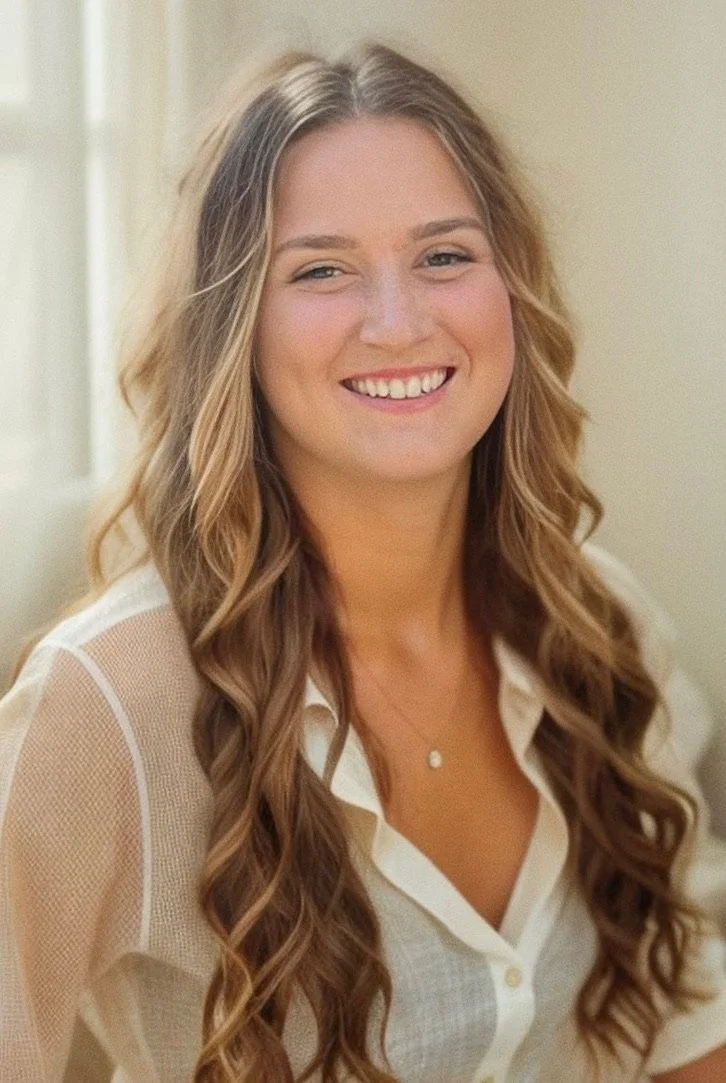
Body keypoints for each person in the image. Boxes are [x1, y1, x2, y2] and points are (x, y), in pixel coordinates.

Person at [1, 41, 725, 1083]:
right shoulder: (107, 703)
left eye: (444, 256)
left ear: (511, 292)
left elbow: (679, 1025)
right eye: (323, 270)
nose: (397, 323)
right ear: (235, 328)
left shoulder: (603, 625)